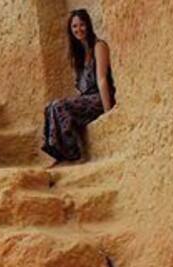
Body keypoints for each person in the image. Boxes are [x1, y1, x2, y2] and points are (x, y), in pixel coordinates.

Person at [41, 9, 116, 164]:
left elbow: (102, 80)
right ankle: (60, 155)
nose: (78, 29)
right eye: (74, 26)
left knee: (59, 105)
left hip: (99, 98)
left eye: (82, 25)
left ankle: (74, 155)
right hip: (87, 98)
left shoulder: (99, 46)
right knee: (50, 107)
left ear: (88, 25)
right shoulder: (80, 53)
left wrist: (108, 112)